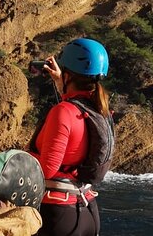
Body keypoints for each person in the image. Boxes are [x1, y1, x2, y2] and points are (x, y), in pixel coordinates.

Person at [30, 38, 112, 236]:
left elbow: (47, 169)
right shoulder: (101, 111)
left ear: (68, 75)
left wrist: (16, 158)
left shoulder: (63, 111)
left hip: (58, 213)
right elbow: (74, 107)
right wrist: (61, 81)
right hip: (87, 209)